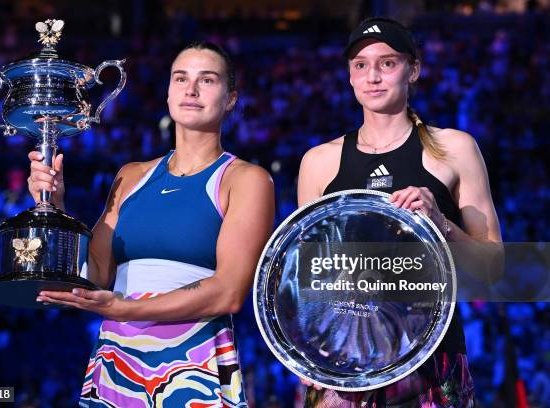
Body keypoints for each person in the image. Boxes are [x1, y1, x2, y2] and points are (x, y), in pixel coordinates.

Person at [29, 41, 275, 407]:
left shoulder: (246, 180)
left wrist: (125, 308)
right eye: (181, 78)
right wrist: (55, 208)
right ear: (168, 92)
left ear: (231, 99)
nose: (190, 89)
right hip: (118, 358)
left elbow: (229, 292)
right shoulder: (130, 176)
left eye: (207, 80)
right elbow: (94, 273)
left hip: (193, 362)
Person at [297, 17, 502, 407]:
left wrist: (441, 225)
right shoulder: (319, 162)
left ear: (414, 70)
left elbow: (494, 270)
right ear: (350, 77)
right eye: (360, 65)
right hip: (344, 368)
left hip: (432, 359)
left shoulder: (454, 150)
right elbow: (310, 285)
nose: (373, 76)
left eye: (387, 63)